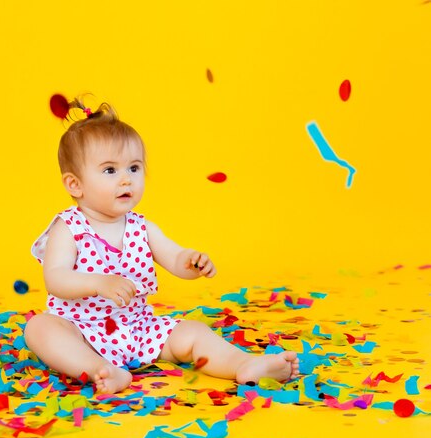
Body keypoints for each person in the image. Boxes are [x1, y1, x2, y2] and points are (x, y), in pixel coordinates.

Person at [25, 98, 299, 394]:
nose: (125, 180)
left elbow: (174, 257)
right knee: (40, 328)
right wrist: (98, 282)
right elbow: (55, 278)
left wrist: (191, 262)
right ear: (75, 184)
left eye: (134, 167)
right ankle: (101, 370)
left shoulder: (142, 227)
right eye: (109, 171)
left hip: (139, 328)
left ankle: (244, 364)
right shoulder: (68, 228)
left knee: (193, 333)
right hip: (82, 332)